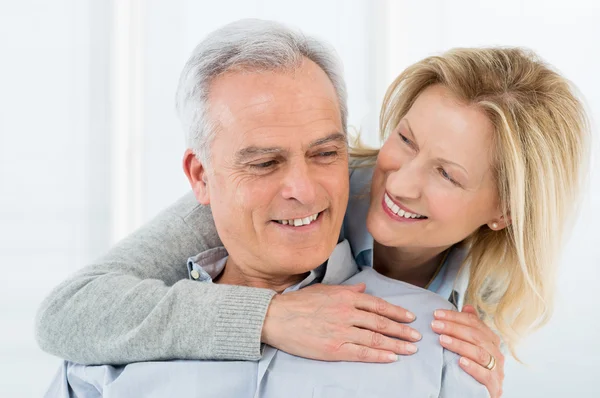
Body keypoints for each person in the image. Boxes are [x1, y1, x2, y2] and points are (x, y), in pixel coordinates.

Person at [36, 19, 589, 398]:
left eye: (447, 173)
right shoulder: (302, 184)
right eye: (406, 140)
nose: (401, 181)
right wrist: (268, 316)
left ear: (504, 211)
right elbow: (71, 312)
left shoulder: (464, 313)